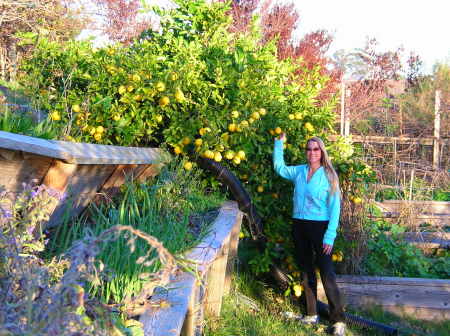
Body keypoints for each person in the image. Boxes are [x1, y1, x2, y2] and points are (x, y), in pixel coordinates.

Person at [273, 133, 346, 336]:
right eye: (309, 149)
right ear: (306, 152)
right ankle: (311, 314)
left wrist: (330, 236)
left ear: (321, 152)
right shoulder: (299, 171)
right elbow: (279, 168)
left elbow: (335, 208)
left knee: (327, 272)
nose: (312, 152)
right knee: (306, 271)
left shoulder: (329, 175)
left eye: (316, 149)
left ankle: (338, 320)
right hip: (299, 226)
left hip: (320, 228)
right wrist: (279, 144)